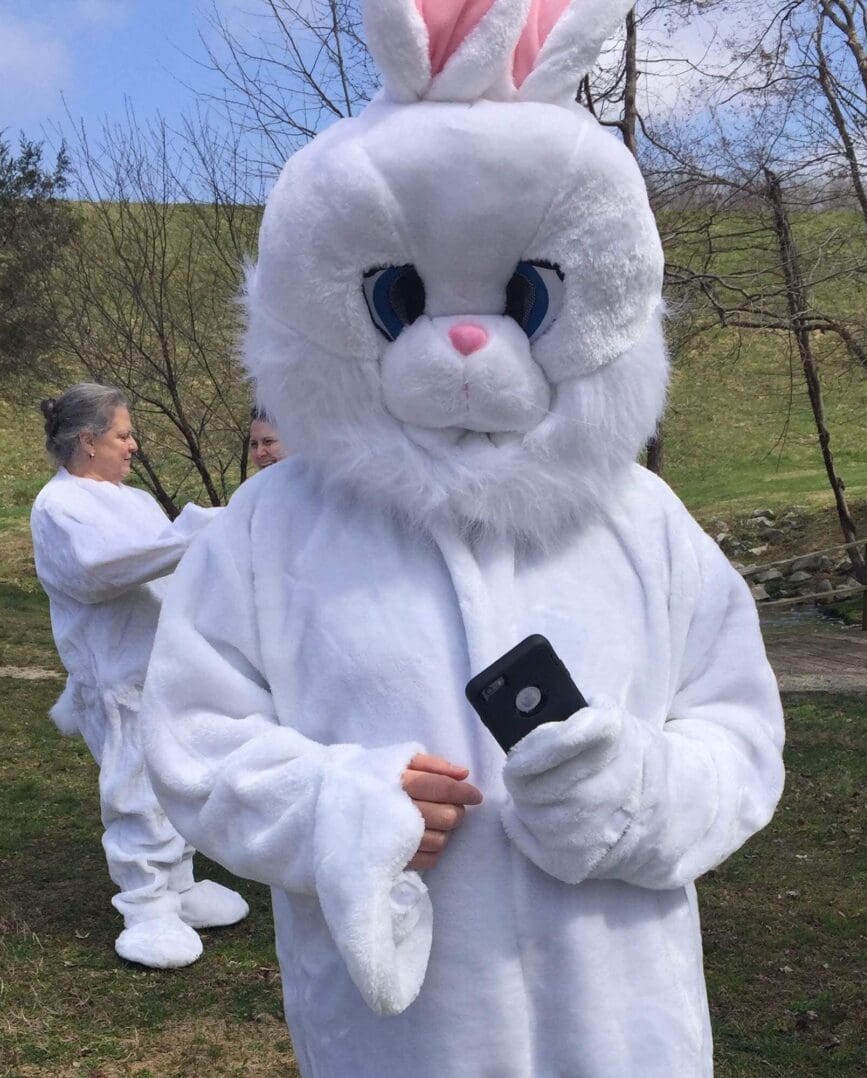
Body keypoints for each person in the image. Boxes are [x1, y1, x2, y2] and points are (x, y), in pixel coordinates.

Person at [140, 1, 784, 1073]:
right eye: (400, 296)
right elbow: (195, 745)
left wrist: (627, 795)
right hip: (403, 1037)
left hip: (622, 1029)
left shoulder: (642, 522)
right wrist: (343, 807)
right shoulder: (267, 531)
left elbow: (738, 739)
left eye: (527, 298)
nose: (471, 338)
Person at [30, 383, 249, 969]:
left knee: (169, 778)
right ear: (89, 440)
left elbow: (166, 563)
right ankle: (146, 904)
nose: (133, 445)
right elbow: (98, 571)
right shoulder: (60, 507)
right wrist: (192, 531)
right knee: (134, 789)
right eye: (124, 434)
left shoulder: (129, 498)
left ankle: (178, 885)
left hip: (161, 666)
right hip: (113, 671)